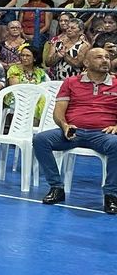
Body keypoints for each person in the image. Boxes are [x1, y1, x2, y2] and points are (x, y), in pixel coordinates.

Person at [33, 47, 117, 213]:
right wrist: (64, 126)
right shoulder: (71, 82)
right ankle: (56, 188)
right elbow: (58, 112)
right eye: (99, 57)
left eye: (107, 57)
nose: (105, 60)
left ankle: (111, 195)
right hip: (73, 131)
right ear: (86, 62)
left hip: (103, 134)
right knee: (40, 140)